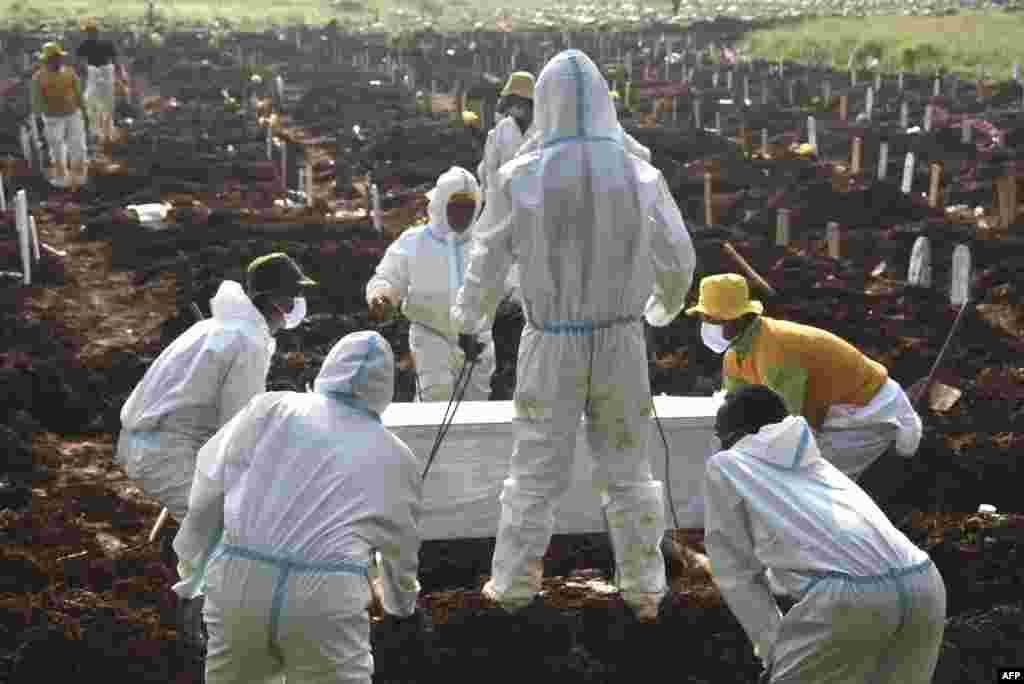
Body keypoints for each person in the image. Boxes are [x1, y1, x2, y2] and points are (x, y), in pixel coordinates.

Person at [452, 49, 697, 621]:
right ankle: (642, 590)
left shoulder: (522, 175)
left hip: (552, 341)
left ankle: (513, 588)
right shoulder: (639, 173)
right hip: (620, 341)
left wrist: (472, 320)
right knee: (629, 467)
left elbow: (486, 257)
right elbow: (678, 253)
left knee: (537, 467)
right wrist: (660, 309)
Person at [171, 331, 425, 684]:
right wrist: (401, 606)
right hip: (324, 599)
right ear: (385, 390)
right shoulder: (396, 455)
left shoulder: (270, 408)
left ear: (329, 370)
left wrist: (191, 578)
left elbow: (208, 493)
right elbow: (401, 548)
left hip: (239, 582)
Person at [703, 384, 947, 683]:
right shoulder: (817, 463)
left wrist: (771, 649)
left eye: (719, 434)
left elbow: (736, 573)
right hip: (923, 581)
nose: (718, 444)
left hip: (848, 600)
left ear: (735, 434)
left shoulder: (728, 465)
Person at [116, 253, 316, 527]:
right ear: (274, 300)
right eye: (293, 295)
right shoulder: (248, 343)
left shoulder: (216, 328)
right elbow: (236, 431)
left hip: (148, 442)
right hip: (166, 454)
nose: (297, 303)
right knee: (228, 531)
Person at [686, 273, 923, 482]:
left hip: (867, 411)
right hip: (831, 412)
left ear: (737, 319)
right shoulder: (736, 353)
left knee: (813, 484)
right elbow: (735, 409)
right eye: (703, 320)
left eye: (712, 320)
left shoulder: (777, 349)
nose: (706, 327)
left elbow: (792, 427)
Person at [366, 165, 517, 401]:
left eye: (468, 208)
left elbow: (512, 282)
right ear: (439, 205)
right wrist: (381, 295)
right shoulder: (414, 242)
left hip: (477, 338)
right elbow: (388, 277)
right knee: (434, 395)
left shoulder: (486, 244)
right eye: (455, 207)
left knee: (475, 404)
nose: (462, 215)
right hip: (430, 334)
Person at [31, 42, 89, 189]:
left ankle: (79, 177)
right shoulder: (39, 77)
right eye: (53, 58)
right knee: (56, 147)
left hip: (73, 114)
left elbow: (78, 94)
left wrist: (84, 112)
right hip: (52, 118)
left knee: (78, 146)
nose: (57, 61)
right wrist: (38, 120)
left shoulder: (69, 73)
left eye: (58, 58)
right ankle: (61, 178)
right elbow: (36, 100)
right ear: (47, 60)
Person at [477, 72, 535, 196]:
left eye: (517, 100)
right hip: (504, 199)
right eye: (511, 101)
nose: (512, 106)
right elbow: (490, 168)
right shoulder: (503, 128)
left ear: (527, 101)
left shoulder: (542, 129)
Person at [76, 17, 125, 147]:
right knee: (95, 104)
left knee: (104, 104)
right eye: (88, 32)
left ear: (94, 32)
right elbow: (80, 63)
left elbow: (115, 61)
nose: (89, 34)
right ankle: (98, 134)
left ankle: (106, 134)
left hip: (104, 72)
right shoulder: (85, 45)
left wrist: (121, 75)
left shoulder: (102, 44)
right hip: (96, 73)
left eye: (90, 32)